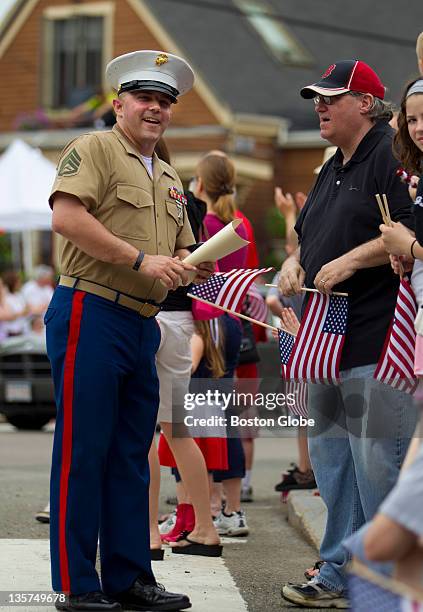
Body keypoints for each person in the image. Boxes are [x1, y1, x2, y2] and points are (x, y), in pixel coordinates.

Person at [46, 50, 213, 612]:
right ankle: (78, 583)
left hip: (145, 322)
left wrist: (198, 261)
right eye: (145, 97)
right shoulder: (93, 148)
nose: (155, 108)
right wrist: (143, 261)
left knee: (129, 456)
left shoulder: (166, 174)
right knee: (83, 451)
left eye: (165, 101)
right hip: (91, 311)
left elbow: (184, 249)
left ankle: (129, 578)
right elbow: (68, 217)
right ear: (118, 103)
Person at [279, 60, 417, 608]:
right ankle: (338, 569)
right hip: (325, 338)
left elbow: (407, 233)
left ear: (365, 102)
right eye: (316, 98)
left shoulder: (392, 154)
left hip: (375, 340)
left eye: (330, 97)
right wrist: (293, 263)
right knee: (333, 464)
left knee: (377, 463)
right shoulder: (331, 163)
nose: (319, 106)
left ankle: (384, 580)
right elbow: (306, 235)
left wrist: (352, 261)